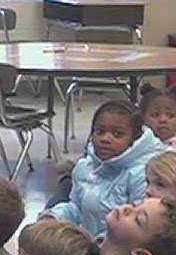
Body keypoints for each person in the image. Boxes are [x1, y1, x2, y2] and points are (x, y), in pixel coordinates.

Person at [43, 101, 167, 237]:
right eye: (100, 131)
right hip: (87, 244)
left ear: (134, 138)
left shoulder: (142, 174)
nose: (105, 139)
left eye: (117, 134)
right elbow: (76, 209)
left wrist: (102, 245)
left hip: (123, 247)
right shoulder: (84, 167)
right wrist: (54, 217)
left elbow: (139, 227)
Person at [139, 84, 176, 151]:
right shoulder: (137, 148)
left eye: (170, 116)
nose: (163, 120)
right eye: (155, 115)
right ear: (144, 118)